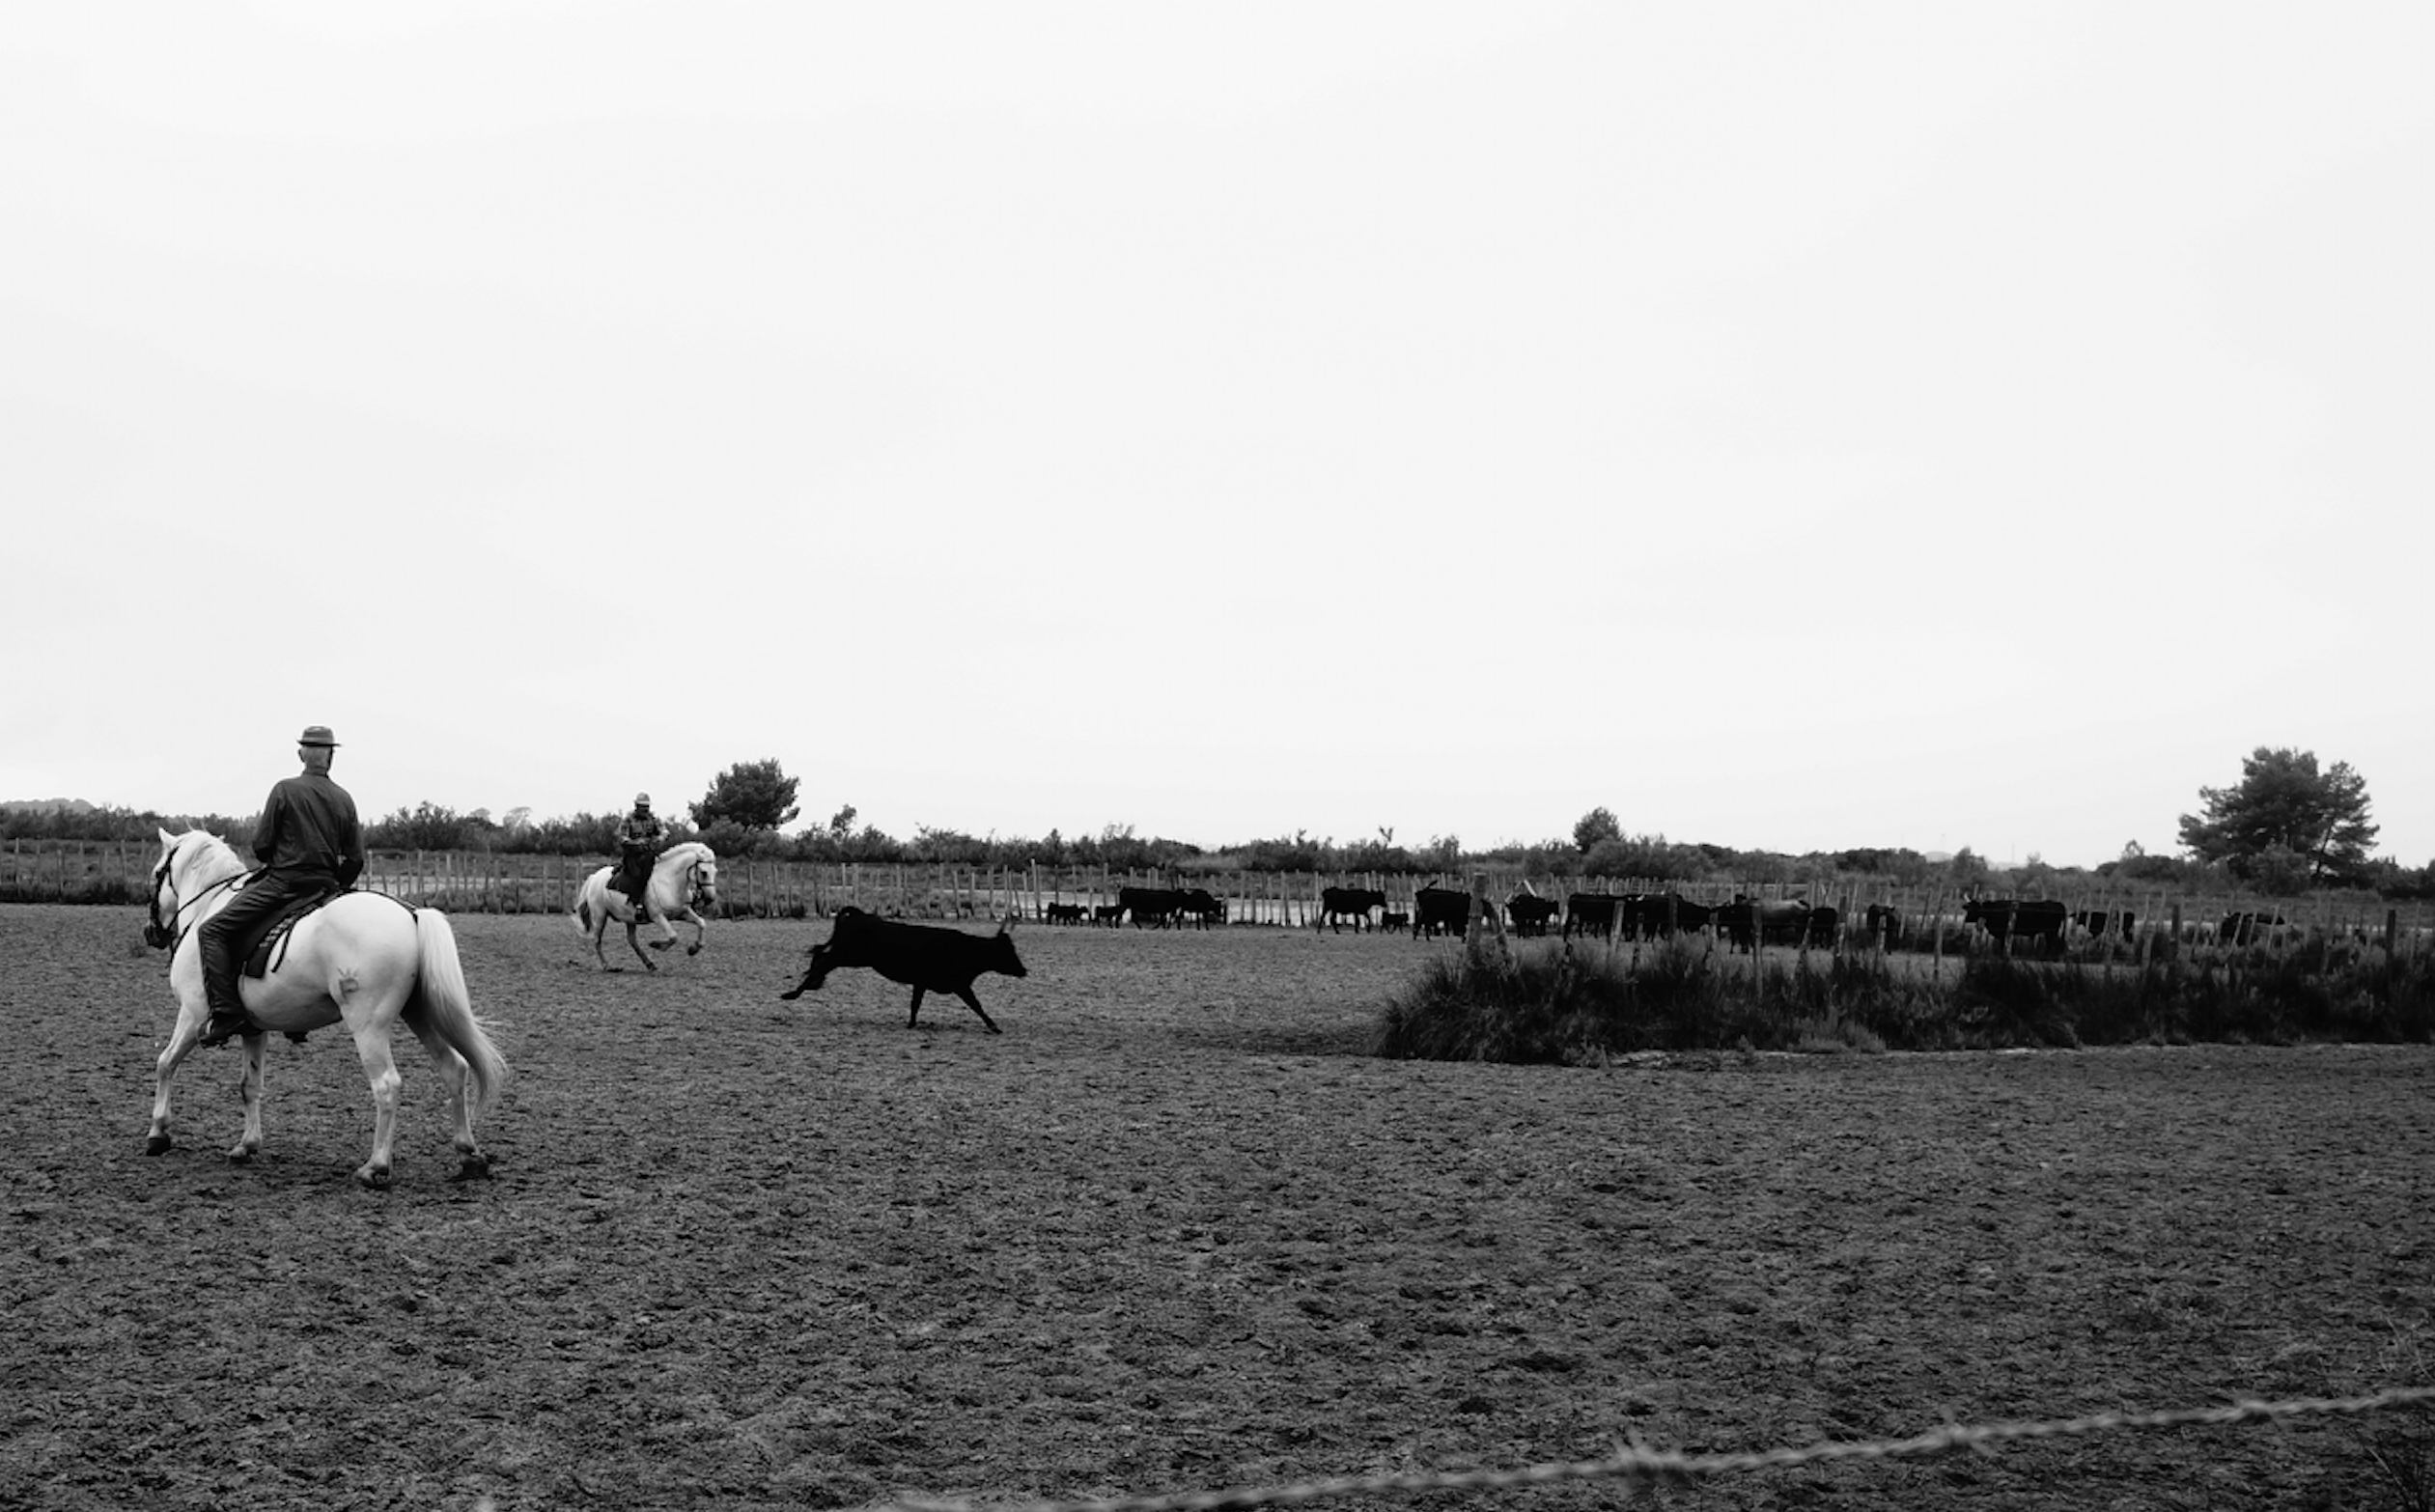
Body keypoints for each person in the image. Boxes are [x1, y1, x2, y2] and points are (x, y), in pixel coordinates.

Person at [199, 725, 365, 1047]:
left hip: (283, 884)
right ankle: (298, 1019)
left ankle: (226, 1012)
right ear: (330, 757)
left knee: (213, 932)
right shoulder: (345, 798)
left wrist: (278, 858)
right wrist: (336, 887)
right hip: (326, 887)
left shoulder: (284, 790)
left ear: (301, 754)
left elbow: (261, 845)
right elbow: (355, 859)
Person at [615, 793, 666, 914]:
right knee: (638, 875)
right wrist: (635, 842)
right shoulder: (629, 820)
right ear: (636, 806)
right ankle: (636, 901)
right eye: (642, 807)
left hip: (649, 854)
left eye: (647, 807)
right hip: (633, 856)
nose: (645, 810)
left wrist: (660, 838)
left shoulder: (652, 819)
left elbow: (664, 830)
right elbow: (622, 837)